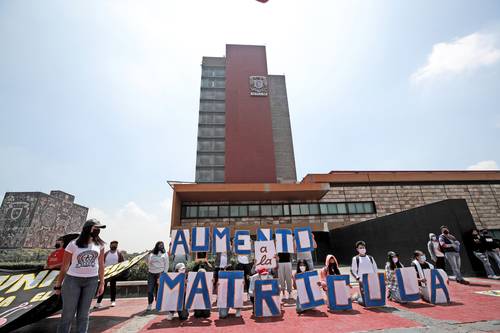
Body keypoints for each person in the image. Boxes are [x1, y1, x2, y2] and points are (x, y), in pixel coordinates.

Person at [54, 219, 106, 333]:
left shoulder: (100, 245)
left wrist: (102, 282)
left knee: (84, 314)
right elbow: (64, 266)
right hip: (73, 280)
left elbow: (101, 264)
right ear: (87, 228)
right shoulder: (73, 244)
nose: (98, 231)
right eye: (96, 228)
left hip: (91, 281)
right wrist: (58, 285)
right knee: (68, 314)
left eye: (99, 229)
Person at [95, 240, 125, 308]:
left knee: (113, 287)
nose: (114, 246)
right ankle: (98, 302)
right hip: (105, 273)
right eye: (113, 244)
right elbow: (101, 262)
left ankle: (113, 301)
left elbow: (122, 264)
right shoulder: (106, 253)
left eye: (115, 245)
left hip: (114, 273)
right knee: (102, 287)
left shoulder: (119, 254)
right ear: (110, 245)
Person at [350, 241, 378, 305]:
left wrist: (376, 278)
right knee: (366, 303)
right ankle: (357, 297)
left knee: (374, 300)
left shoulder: (370, 258)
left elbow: (375, 269)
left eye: (363, 247)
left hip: (372, 281)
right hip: (363, 282)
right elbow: (353, 271)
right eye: (360, 248)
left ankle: (359, 296)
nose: (362, 249)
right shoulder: (355, 258)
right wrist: (358, 279)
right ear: (357, 249)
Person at [147, 241, 169, 311]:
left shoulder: (165, 254)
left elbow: (167, 264)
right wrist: (149, 256)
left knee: (159, 290)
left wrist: (164, 274)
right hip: (151, 273)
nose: (161, 246)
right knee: (150, 290)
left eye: (162, 245)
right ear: (156, 246)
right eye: (159, 245)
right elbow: (148, 262)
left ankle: (158, 304)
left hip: (160, 273)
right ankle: (150, 303)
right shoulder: (152, 254)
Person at [191, 252, 213, 318]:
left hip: (205, 294)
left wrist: (206, 262)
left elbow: (211, 270)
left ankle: (206, 309)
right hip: (198, 295)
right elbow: (193, 272)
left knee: (206, 315)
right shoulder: (196, 267)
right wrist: (198, 262)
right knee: (197, 315)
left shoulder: (207, 266)